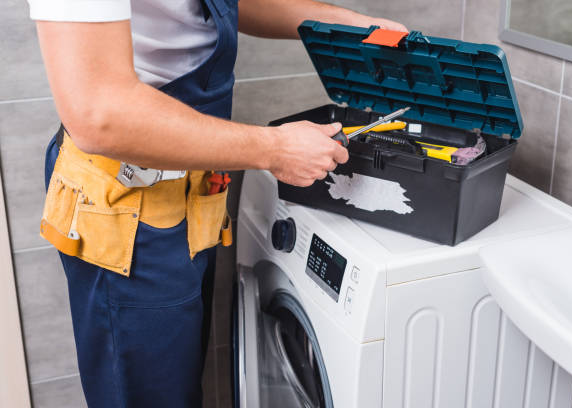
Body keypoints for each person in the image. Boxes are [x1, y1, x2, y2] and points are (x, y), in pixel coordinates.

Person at [29, 0, 406, 406]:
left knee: (179, 387)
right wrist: (275, 149)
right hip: (128, 213)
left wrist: (356, 27)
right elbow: (98, 113)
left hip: (192, 201)